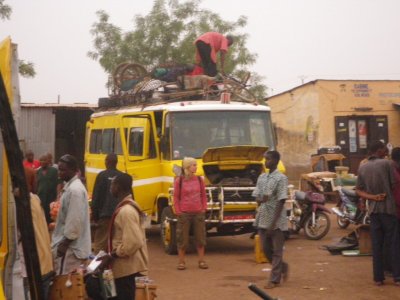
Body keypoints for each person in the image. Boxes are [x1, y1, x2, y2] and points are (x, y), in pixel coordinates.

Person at [97, 173, 149, 300]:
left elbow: (133, 242)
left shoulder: (126, 211)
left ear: (118, 187)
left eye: (112, 184)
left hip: (126, 270)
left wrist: (112, 255)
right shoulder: (125, 207)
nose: (111, 188)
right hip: (121, 268)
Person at [356, 141, 400, 286]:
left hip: (374, 210)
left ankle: (378, 278)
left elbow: (359, 190)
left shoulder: (362, 167)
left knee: (377, 244)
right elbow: (394, 184)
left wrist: (372, 197)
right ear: (379, 150)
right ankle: (397, 276)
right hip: (389, 209)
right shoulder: (387, 164)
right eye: (384, 149)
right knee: (393, 243)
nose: (386, 152)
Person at [252, 150, 289, 289]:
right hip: (263, 217)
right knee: (265, 249)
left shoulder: (281, 178)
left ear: (275, 161)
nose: (265, 162)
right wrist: (262, 199)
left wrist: (273, 224)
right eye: (264, 159)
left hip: (277, 219)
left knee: (277, 251)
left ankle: (274, 280)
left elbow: (281, 200)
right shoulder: (262, 177)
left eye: (267, 159)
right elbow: (257, 196)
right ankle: (283, 267)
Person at [51, 154, 91, 275]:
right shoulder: (70, 187)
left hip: (70, 250)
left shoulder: (75, 191)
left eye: (63, 169)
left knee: (66, 286)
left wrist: (64, 244)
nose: (60, 172)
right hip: (71, 248)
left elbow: (74, 220)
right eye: (59, 169)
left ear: (74, 170)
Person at [173, 157, 208, 270]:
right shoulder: (180, 180)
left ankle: (201, 261)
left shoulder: (199, 180)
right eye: (193, 165)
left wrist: (204, 208)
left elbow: (203, 194)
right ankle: (181, 262)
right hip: (184, 213)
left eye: (195, 165)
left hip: (198, 212)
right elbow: (176, 197)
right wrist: (178, 211)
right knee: (182, 239)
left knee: (200, 237)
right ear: (187, 167)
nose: (196, 167)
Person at [91, 153, 124, 254]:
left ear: (107, 162)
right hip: (120, 215)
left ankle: (97, 266)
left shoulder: (101, 176)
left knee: (100, 243)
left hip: (105, 216)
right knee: (116, 241)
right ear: (116, 163)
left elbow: (96, 197)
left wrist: (95, 216)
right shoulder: (122, 176)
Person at [36, 154, 59, 224]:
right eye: (41, 160)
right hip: (41, 197)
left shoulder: (54, 171)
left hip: (51, 197)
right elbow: (36, 184)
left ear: (48, 161)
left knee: (51, 215)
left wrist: (57, 196)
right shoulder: (38, 171)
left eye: (44, 160)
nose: (42, 162)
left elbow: (59, 183)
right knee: (42, 215)